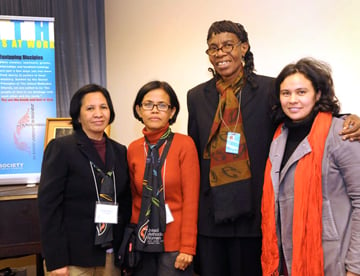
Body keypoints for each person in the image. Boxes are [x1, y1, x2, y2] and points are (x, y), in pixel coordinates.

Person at [186, 20, 360, 276]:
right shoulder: (196, 96)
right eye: (213, 48)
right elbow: (195, 151)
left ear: (244, 47)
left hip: (256, 217)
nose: (220, 52)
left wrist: (348, 119)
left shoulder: (270, 89)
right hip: (211, 219)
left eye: (228, 45)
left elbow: (303, 117)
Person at [261, 57, 360, 276]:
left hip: (333, 261)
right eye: (286, 93)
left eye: (301, 92)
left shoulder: (341, 133)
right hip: (287, 261)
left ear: (318, 94)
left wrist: (355, 267)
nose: (293, 100)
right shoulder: (278, 137)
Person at [38, 84, 132, 276]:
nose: (98, 113)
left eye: (103, 107)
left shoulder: (119, 151)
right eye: (90, 108)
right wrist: (56, 260)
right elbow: (49, 207)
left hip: (110, 256)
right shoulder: (61, 148)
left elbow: (124, 201)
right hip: (73, 258)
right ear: (78, 116)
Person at [127, 80, 200, 276]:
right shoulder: (133, 148)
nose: (155, 110)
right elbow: (135, 199)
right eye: (148, 104)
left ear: (172, 111)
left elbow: (191, 200)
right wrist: (133, 237)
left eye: (162, 106)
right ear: (139, 110)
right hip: (143, 242)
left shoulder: (184, 145)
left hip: (175, 246)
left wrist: (187, 247)